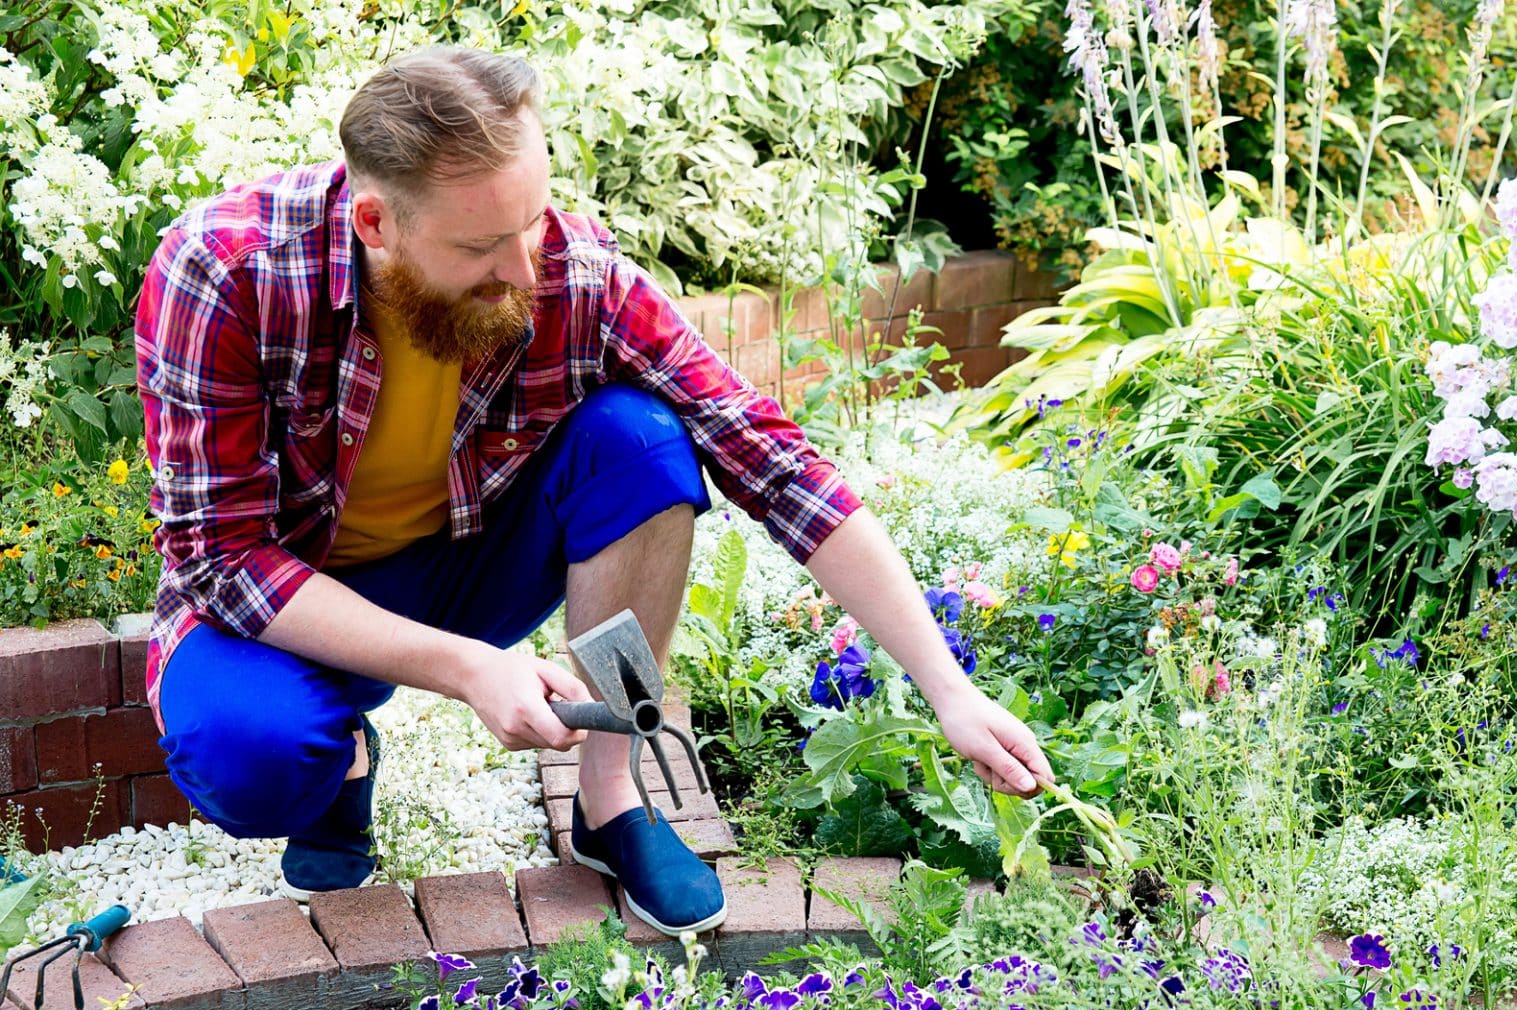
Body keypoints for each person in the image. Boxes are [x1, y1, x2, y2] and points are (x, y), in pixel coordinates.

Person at [134, 44, 1053, 933]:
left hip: (467, 566)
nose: (527, 269)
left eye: (534, 219)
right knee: (250, 758)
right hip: (293, 593)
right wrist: (468, 670)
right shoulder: (226, 271)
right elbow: (222, 561)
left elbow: (774, 464)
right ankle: (338, 772)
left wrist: (949, 690)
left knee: (641, 442)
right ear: (378, 223)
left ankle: (610, 800)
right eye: (485, 244)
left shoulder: (575, 274)